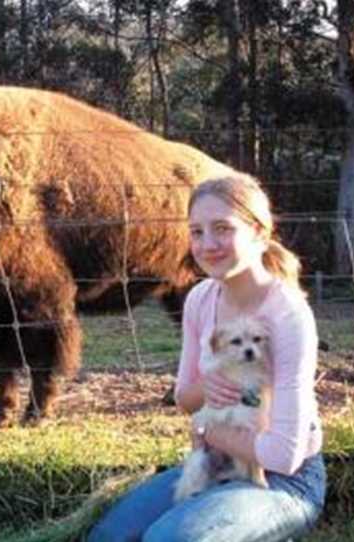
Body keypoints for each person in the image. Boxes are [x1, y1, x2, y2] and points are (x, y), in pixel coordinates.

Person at [88, 174, 326, 542]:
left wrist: (205, 429)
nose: (208, 244)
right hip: (216, 463)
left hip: (283, 482)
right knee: (108, 537)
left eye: (222, 229)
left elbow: (283, 456)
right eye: (197, 232)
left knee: (167, 540)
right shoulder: (201, 299)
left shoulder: (287, 315)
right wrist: (210, 387)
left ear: (260, 234)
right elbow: (185, 398)